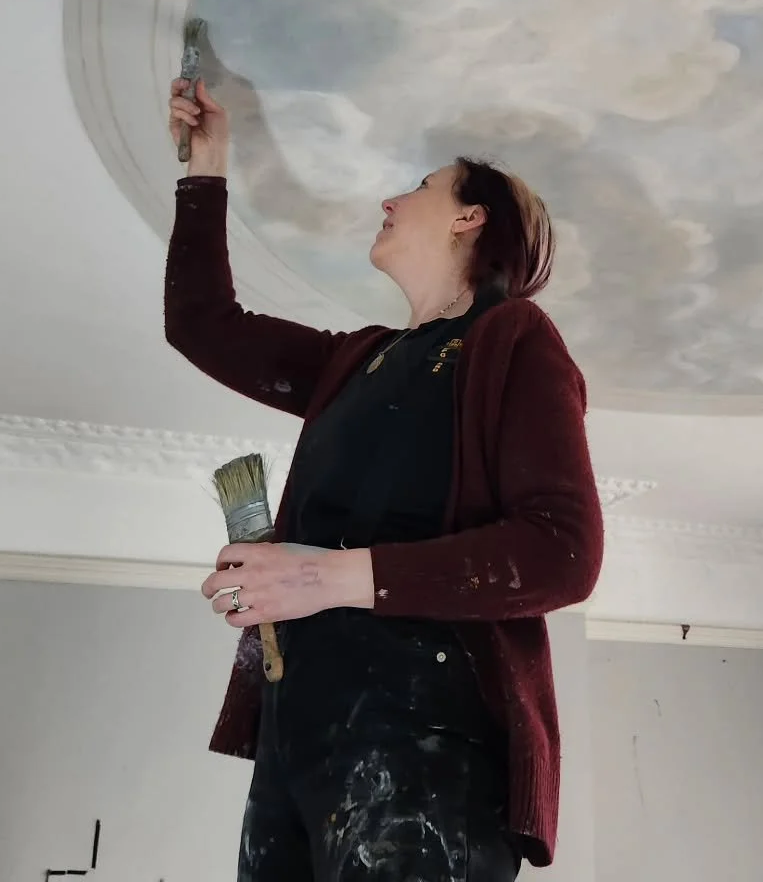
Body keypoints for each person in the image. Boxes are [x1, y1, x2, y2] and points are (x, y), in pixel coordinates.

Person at [164, 78, 604, 881]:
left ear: (473, 217)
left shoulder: (511, 340)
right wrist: (206, 167)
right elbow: (202, 324)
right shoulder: (353, 360)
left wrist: (320, 575)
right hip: (297, 737)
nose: (391, 198)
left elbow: (562, 554)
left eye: (422, 187)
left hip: (424, 740)